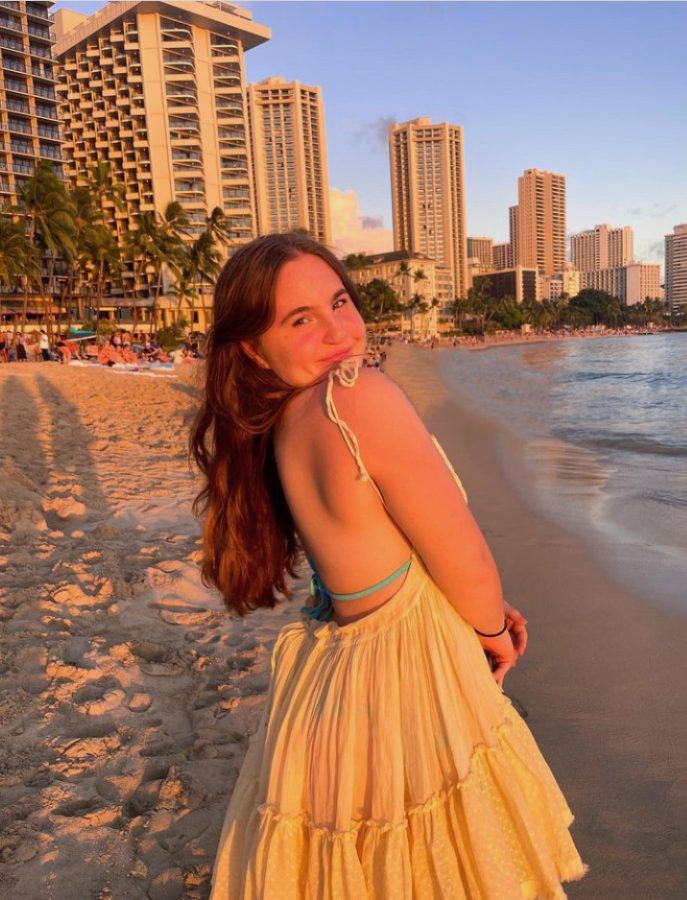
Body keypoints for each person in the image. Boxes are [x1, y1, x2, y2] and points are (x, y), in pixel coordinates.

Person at [193, 233, 586, 899]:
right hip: (412, 662)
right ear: (254, 349)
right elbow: (458, 548)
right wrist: (491, 628)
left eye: (339, 301)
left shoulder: (282, 420)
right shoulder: (356, 396)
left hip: (339, 672)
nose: (338, 331)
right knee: (446, 858)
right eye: (300, 319)